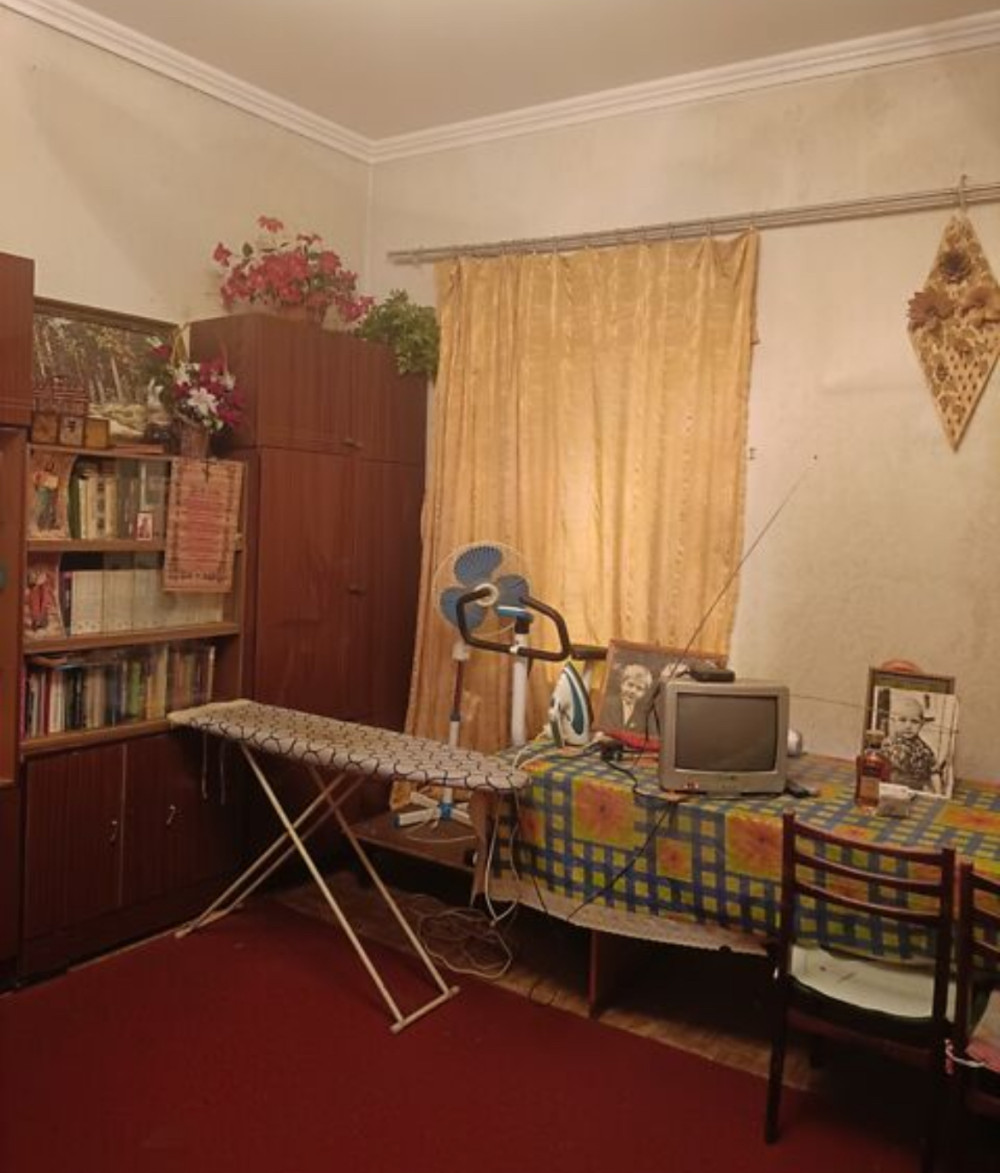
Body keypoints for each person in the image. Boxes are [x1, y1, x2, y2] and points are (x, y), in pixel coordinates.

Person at [881, 693, 940, 792]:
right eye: (903, 720)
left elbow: (934, 772)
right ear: (893, 721)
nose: (908, 726)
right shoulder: (888, 743)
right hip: (891, 787)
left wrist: (939, 793)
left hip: (916, 789)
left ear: (921, 724)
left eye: (914, 721)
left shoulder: (924, 750)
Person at [603, 661, 655, 735]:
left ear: (644, 693)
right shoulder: (606, 704)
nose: (633, 691)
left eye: (639, 688)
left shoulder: (643, 715)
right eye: (630, 685)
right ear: (622, 683)